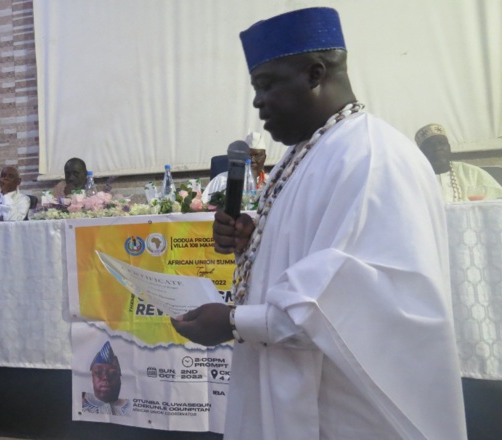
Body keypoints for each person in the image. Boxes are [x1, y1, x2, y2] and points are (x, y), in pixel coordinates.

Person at [171, 8, 466, 440]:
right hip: (292, 379)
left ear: (314, 73)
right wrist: (253, 237)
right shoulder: (309, 149)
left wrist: (233, 322)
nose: (256, 102)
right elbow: (312, 249)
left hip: (347, 407)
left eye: (266, 85)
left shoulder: (370, 156)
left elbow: (344, 300)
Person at [415, 123, 502, 202]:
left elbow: (497, 202)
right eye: (431, 146)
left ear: (449, 148)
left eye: (442, 144)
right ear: (421, 152)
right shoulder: (415, 177)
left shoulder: (472, 173)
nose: (438, 148)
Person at [202, 131, 268, 204]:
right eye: (248, 155)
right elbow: (204, 207)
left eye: (257, 155)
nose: (252, 160)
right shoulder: (220, 180)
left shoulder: (270, 182)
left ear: (264, 158)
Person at [81, 341, 131, 416]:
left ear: (120, 378)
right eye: (98, 372)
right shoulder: (80, 403)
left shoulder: (131, 407)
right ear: (92, 377)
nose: (105, 377)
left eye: (113, 374)